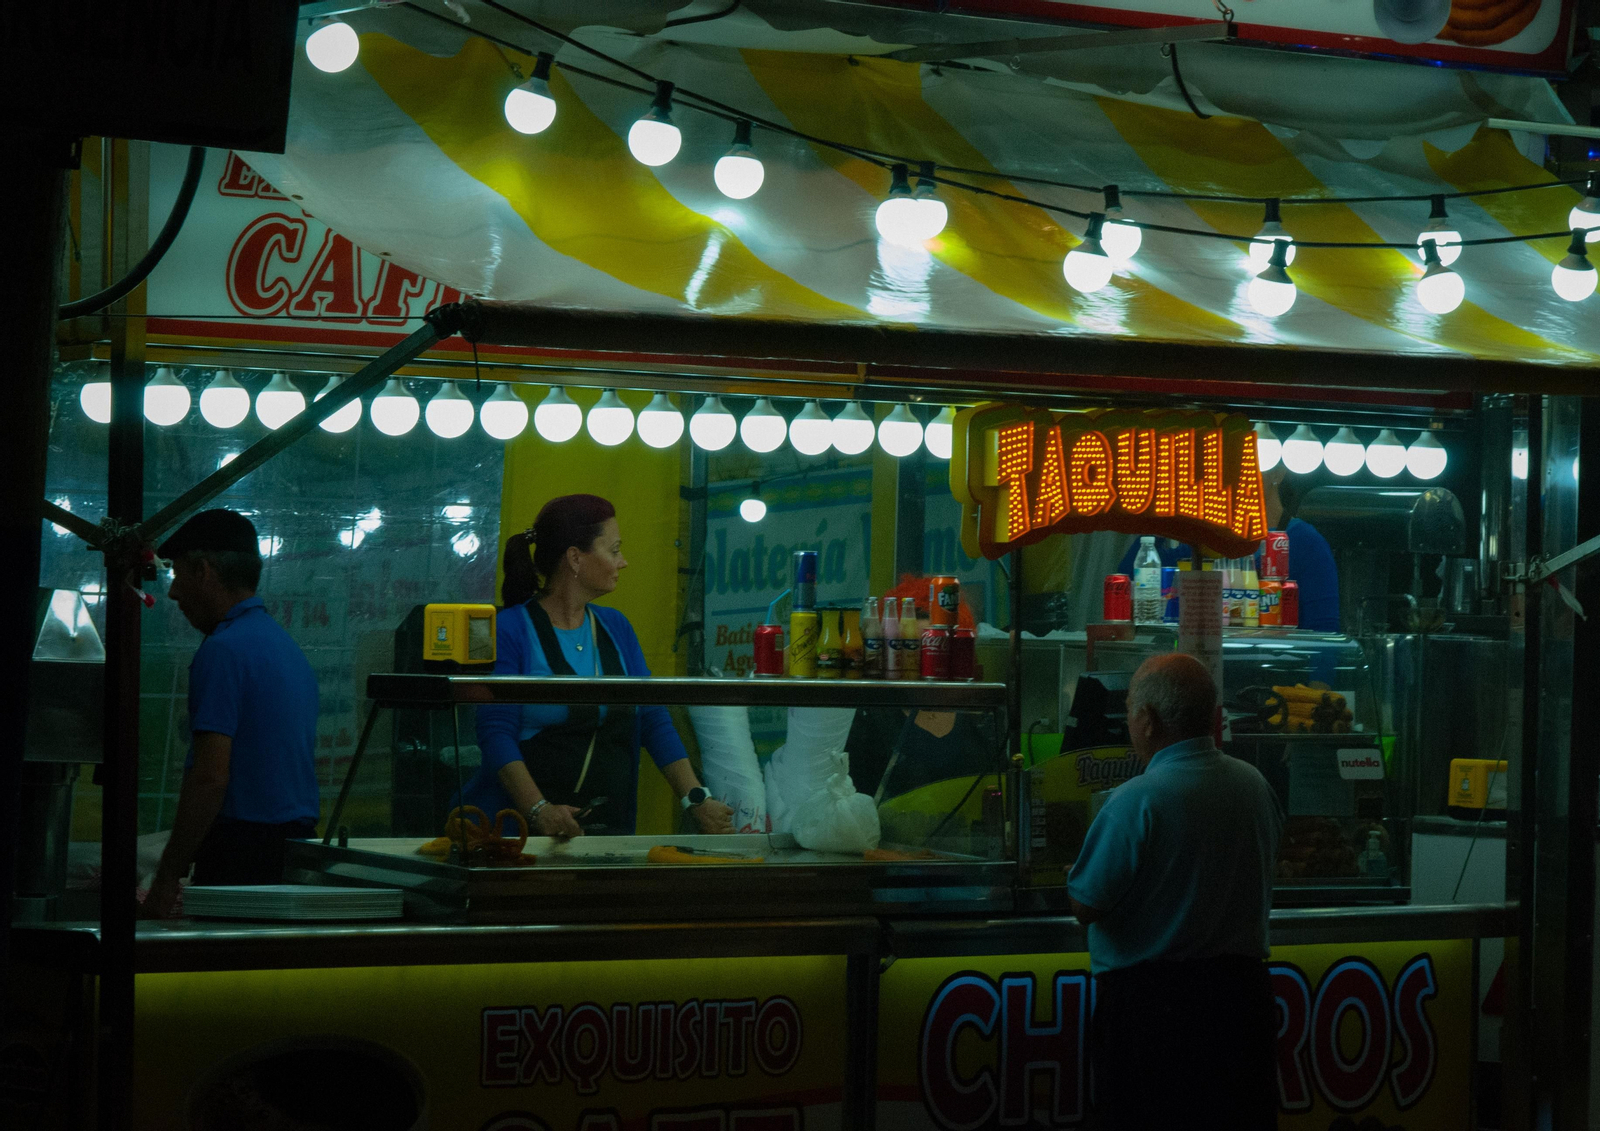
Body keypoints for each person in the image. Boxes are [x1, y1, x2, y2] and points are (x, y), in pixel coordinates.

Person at [1066, 653, 1283, 1131]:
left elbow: (1086, 903)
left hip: (1155, 1016)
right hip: (1243, 1005)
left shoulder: (1137, 799)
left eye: (1128, 709)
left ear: (1146, 719)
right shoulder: (1254, 785)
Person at [465, 494, 733, 839]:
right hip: (516, 837)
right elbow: (494, 733)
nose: (623, 562)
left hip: (608, 832)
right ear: (575, 558)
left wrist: (696, 799)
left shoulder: (616, 627)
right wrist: (539, 810)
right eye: (615, 550)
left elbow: (652, 719)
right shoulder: (510, 629)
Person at [143, 510, 320, 917]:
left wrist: (168, 876)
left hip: (241, 851)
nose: (172, 594)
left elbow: (209, 777)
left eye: (177, 575)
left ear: (204, 570)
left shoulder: (223, 651)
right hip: (294, 848)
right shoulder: (283, 646)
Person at [1113, 462, 1340, 631]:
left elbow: (1325, 630)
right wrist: (1165, 510)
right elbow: (1128, 581)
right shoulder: (1211, 543)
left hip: (1279, 681)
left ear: (1278, 473)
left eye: (1250, 464)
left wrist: (1316, 692)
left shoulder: (1305, 542)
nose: (1237, 476)